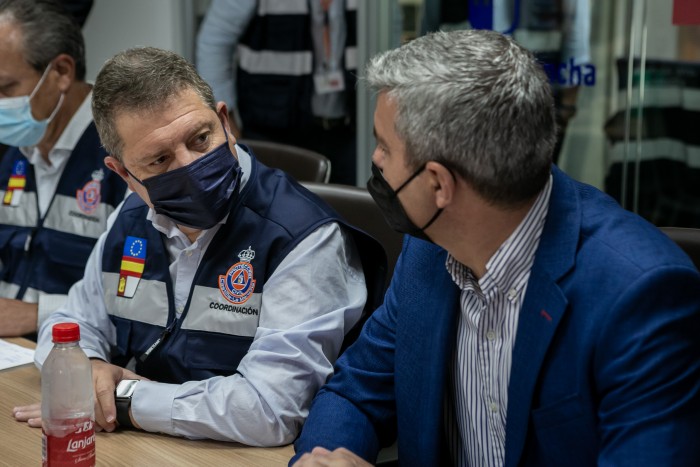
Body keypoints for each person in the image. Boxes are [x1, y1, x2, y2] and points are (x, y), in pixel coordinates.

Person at [291, 29, 700, 466]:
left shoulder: (640, 296)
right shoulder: (430, 250)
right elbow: (355, 394)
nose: (375, 161)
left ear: (438, 185)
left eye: (385, 147)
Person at [13, 46, 386, 447]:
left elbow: (269, 409)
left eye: (200, 138)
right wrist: (86, 367)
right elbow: (72, 321)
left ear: (225, 122)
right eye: (159, 160)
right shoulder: (131, 216)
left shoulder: (302, 237)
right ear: (123, 173)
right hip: (149, 447)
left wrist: (125, 398)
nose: (189, 166)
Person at [0, 0, 127, 337]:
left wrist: (39, 314)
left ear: (61, 73)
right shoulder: (16, 150)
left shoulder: (124, 153)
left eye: (5, 88)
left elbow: (144, 294)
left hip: (80, 350)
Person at [195, 0, 359, 186]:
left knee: (348, 208)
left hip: (349, 131)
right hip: (273, 133)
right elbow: (214, 42)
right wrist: (226, 122)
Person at [422, 0, 591, 164]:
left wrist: (567, 105)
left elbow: (576, 42)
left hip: (533, 103)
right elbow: (426, 45)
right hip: (463, 106)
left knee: (529, 182)